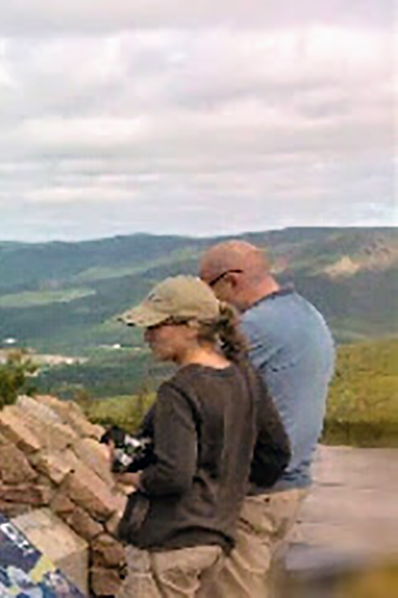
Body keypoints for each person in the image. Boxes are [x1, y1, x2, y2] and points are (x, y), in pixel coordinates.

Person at [113, 276, 290, 598]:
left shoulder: (178, 392)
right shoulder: (244, 376)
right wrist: (225, 488)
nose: (147, 336)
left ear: (192, 327)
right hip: (216, 538)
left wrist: (133, 478)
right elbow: (275, 454)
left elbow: (173, 476)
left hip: (167, 542)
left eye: (156, 326)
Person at [199, 240, 335, 597]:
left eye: (210, 290)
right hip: (293, 484)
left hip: (255, 492)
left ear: (231, 281)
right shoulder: (308, 315)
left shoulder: (254, 329)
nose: (212, 304)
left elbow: (201, 392)